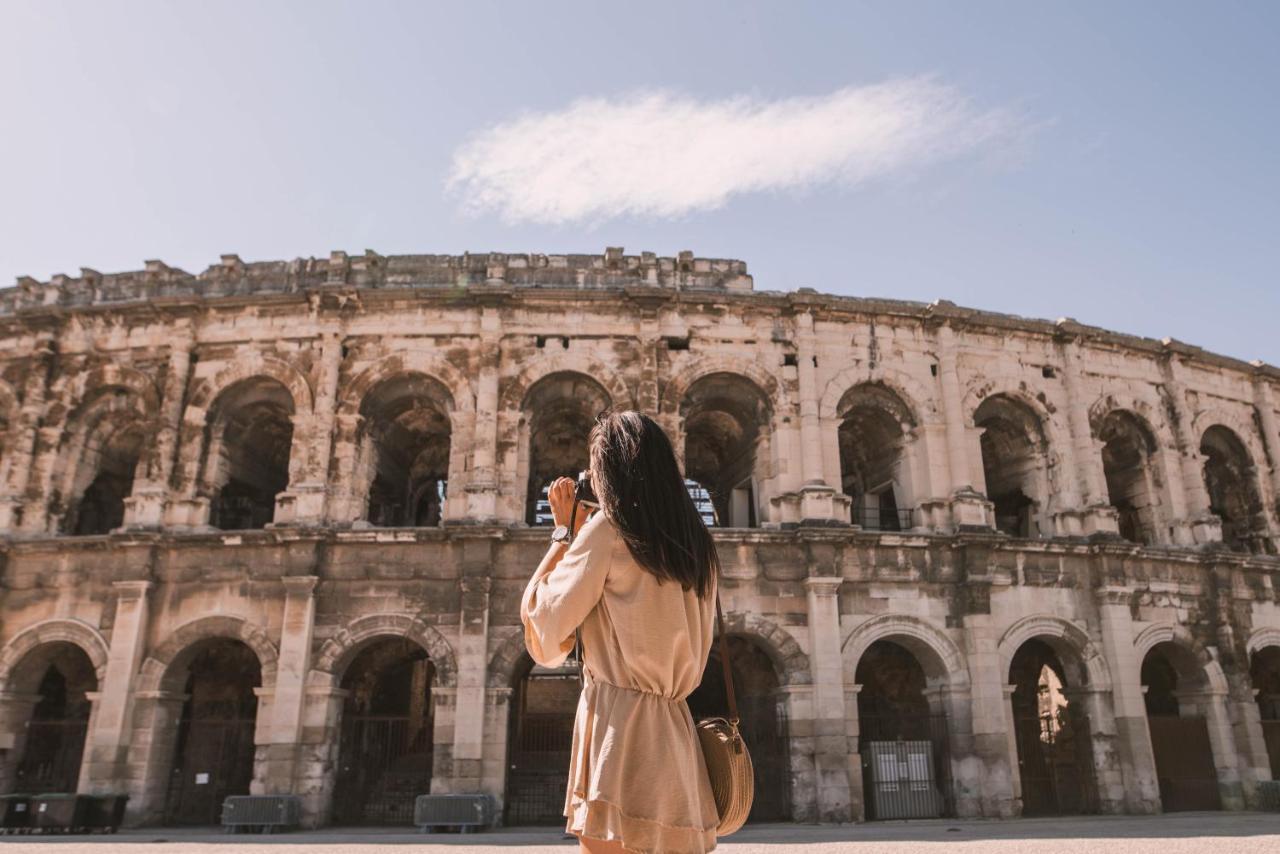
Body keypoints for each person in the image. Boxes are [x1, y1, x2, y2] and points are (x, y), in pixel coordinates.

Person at [521, 410, 722, 853]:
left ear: (609, 471)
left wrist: (562, 533)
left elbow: (544, 622)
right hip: (674, 727)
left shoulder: (608, 531)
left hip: (620, 726)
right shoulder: (698, 545)